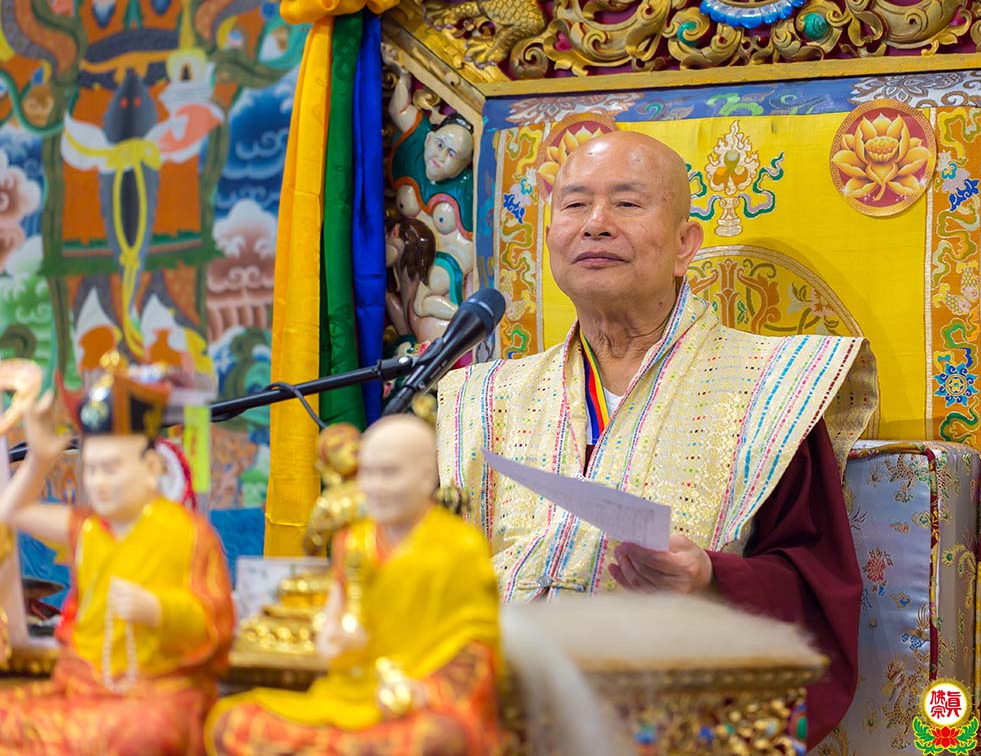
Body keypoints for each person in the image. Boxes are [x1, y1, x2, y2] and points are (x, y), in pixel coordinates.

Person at [437, 131, 878, 746]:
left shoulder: (774, 389)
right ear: (550, 236)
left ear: (684, 245)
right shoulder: (484, 397)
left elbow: (816, 589)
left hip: (669, 721)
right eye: (574, 204)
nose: (595, 224)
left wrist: (710, 576)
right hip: (489, 715)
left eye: (626, 203)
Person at [206, 414, 502, 755]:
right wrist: (332, 638)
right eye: (368, 473)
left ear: (426, 477)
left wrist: (421, 691)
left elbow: (476, 648)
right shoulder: (354, 541)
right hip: (353, 693)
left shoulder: (459, 547)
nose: (375, 486)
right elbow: (336, 621)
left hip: (415, 699)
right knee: (232, 721)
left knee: (435, 739)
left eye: (389, 473)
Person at [0, 354, 235, 754]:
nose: (99, 482)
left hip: (156, 690)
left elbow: (215, 623)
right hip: (83, 688)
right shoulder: (89, 529)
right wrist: (40, 460)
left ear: (151, 467)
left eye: (111, 468)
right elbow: (10, 513)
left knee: (148, 731)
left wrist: (158, 609)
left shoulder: (187, 533)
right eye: (92, 469)